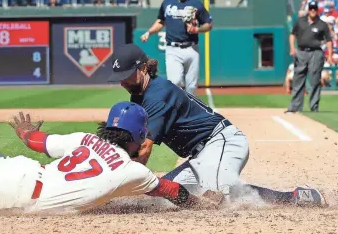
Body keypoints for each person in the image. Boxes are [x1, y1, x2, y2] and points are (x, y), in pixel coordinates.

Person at [0, 70, 223, 214]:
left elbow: (39, 142)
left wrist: (26, 134)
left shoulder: (86, 139)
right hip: (19, 194)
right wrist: (202, 205)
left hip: (23, 170)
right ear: (137, 138)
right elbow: (172, 192)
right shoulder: (133, 171)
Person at [108, 43, 328, 207]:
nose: (122, 81)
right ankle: (220, 180)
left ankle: (295, 197)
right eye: (119, 77)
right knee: (163, 199)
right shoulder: (138, 95)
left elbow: (144, 149)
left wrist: (118, 185)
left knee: (217, 197)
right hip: (200, 159)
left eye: (127, 75)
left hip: (222, 141)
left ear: (144, 68)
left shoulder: (156, 95)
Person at [140, 0, 213, 96]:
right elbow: (160, 21)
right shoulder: (167, 3)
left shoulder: (196, 4)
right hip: (173, 49)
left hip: (192, 48)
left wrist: (197, 30)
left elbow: (208, 24)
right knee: (175, 82)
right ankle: (177, 108)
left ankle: (189, 110)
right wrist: (149, 32)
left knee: (192, 86)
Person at [286, 1, 334, 113]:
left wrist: (330, 56)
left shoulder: (322, 24)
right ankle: (295, 107)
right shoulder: (300, 21)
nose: (313, 10)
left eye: (315, 8)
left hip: (316, 53)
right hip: (302, 52)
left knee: (315, 80)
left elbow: (329, 41)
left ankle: (314, 108)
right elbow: (293, 34)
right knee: (298, 80)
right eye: (311, 8)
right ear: (308, 9)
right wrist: (292, 48)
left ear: (317, 10)